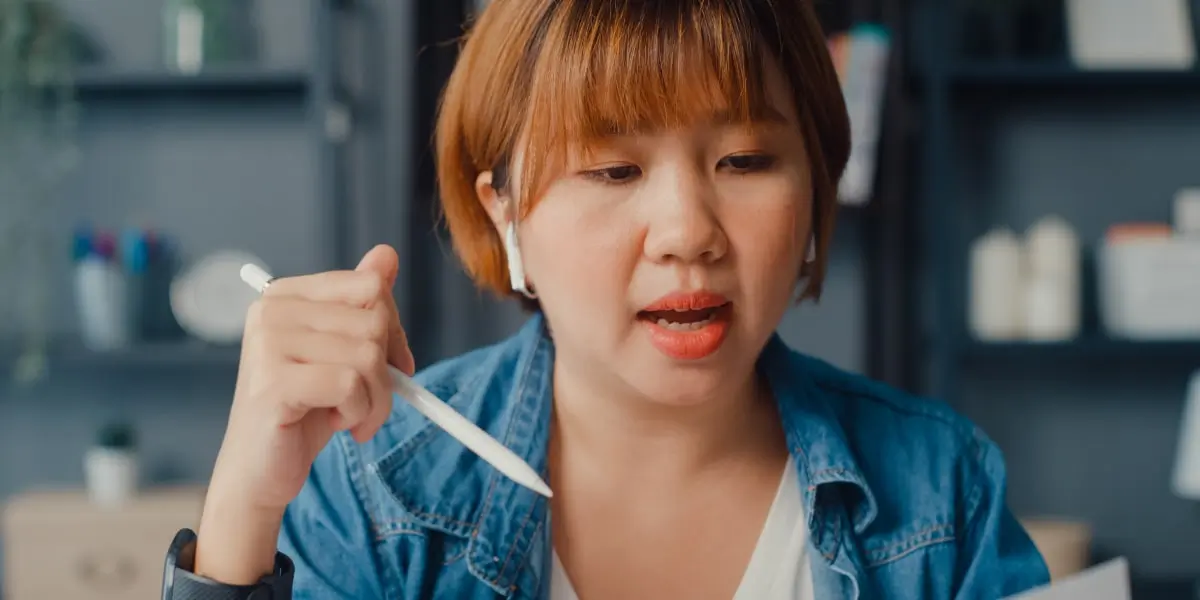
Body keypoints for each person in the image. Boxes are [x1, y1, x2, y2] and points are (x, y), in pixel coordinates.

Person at [161, 0, 1050, 598]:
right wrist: (243, 506)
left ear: (815, 184)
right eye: (613, 169)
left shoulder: (943, 492)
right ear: (501, 213)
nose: (687, 232)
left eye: (743, 161)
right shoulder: (378, 494)